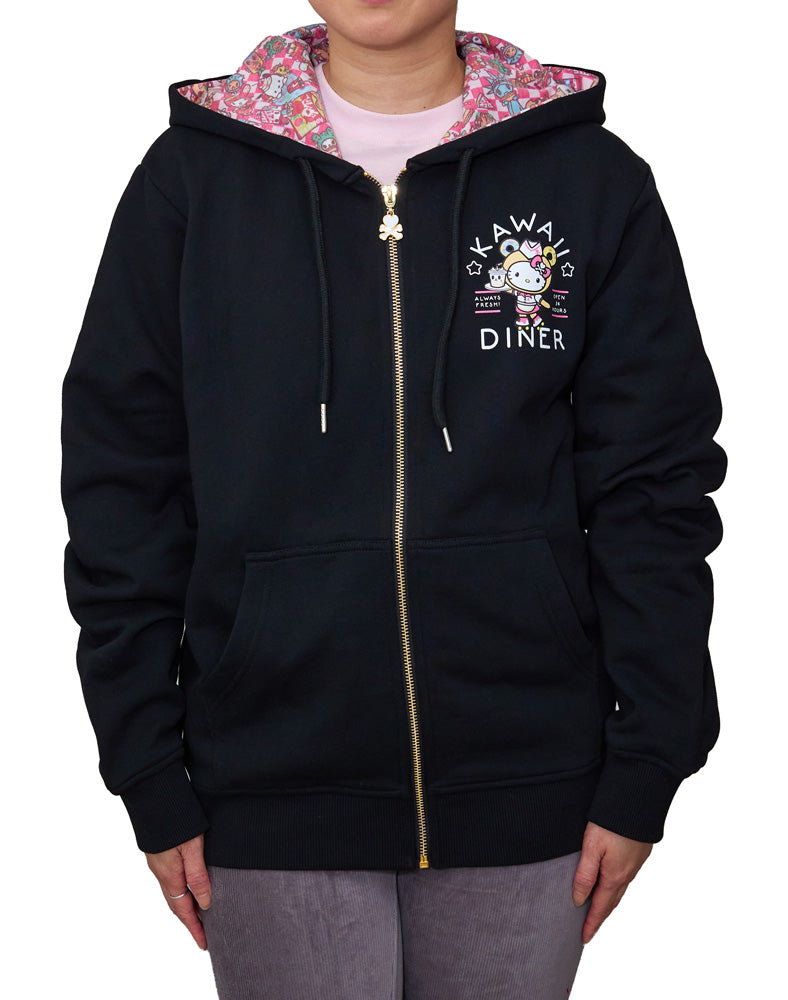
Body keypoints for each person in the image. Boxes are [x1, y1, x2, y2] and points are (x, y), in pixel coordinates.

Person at [59, 2, 727, 997]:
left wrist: (650, 759)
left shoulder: (587, 178)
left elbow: (653, 483)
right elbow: (122, 482)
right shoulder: (192, 180)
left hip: (530, 777)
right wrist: (145, 766)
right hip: (268, 779)